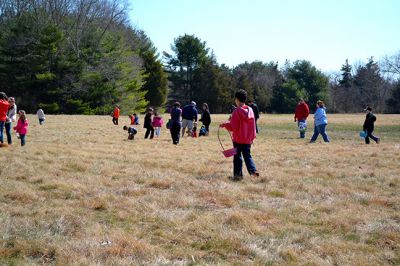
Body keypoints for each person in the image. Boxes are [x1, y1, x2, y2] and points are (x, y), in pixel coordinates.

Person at [220, 89, 259, 181]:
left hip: (238, 139)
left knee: (237, 157)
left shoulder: (236, 112)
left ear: (237, 99)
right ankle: (253, 171)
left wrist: (224, 124)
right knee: (247, 156)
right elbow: (253, 125)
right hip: (248, 139)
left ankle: (238, 175)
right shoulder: (250, 110)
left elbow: (233, 127)